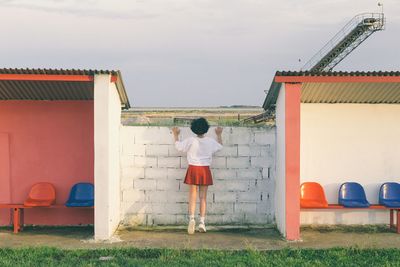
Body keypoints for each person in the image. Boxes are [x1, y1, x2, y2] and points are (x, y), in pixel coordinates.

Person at [172, 118, 223, 234]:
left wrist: (175, 135)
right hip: (204, 169)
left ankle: (191, 219)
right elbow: (220, 146)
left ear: (193, 129)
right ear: (206, 129)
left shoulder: (190, 140)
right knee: (203, 197)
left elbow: (179, 146)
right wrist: (219, 134)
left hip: (193, 168)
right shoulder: (210, 141)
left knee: (192, 196)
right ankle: (202, 222)